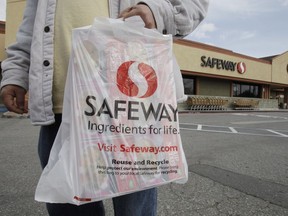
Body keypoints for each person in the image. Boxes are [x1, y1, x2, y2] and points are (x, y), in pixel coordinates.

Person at [0, 0, 209, 215]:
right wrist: (16, 73)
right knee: (69, 206)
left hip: (128, 111)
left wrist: (157, 11)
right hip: (62, 109)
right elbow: (29, 31)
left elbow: (194, 4)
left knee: (134, 210)